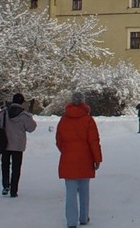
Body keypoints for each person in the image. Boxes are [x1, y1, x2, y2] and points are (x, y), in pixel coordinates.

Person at [56, 91, 102, 228]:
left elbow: (59, 140)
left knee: (70, 192)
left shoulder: (64, 119)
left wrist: (66, 151)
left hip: (68, 158)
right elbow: (94, 141)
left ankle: (71, 221)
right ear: (83, 102)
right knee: (84, 190)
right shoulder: (88, 119)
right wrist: (97, 158)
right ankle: (83, 217)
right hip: (85, 158)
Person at [0, 93, 37, 197]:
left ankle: (5, 186)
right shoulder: (24, 115)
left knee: (5, 165)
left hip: (5, 144)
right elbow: (32, 128)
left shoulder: (4, 113)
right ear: (22, 102)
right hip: (18, 145)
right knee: (16, 168)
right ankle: (13, 190)